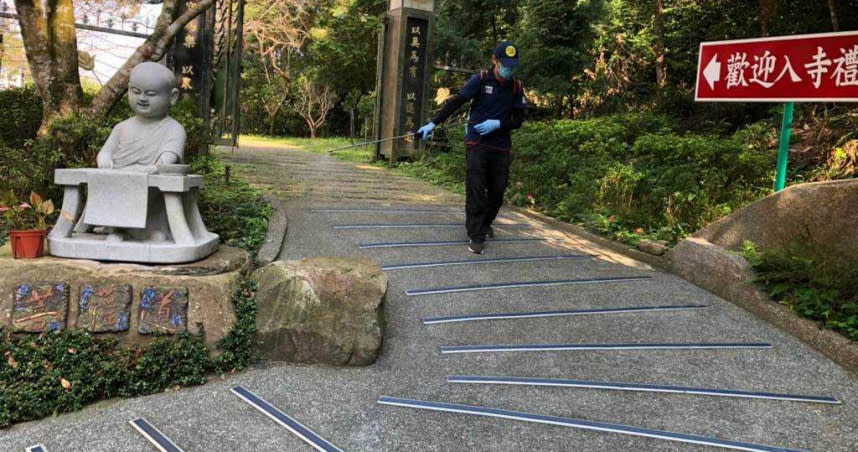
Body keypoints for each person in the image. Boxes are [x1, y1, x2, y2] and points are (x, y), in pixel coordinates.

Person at [417, 41, 527, 254]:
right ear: (495, 61)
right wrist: (432, 123)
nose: (509, 69)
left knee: (497, 191)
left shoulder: (516, 87)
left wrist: (499, 124)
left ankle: (486, 223)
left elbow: (518, 120)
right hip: (477, 142)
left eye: (512, 65)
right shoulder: (481, 79)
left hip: (501, 145)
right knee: (476, 188)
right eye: (505, 64)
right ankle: (476, 235)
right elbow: (456, 102)